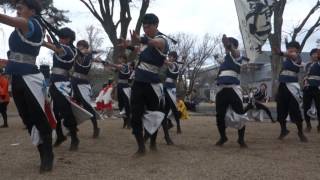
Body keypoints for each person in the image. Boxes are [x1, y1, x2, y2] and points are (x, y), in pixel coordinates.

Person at [0, 0, 54, 173]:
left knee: (38, 117)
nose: (17, 11)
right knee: (27, 119)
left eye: (20, 8)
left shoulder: (29, 23)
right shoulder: (25, 25)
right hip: (17, 77)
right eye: (16, 8)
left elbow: (5, 19)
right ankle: (42, 152)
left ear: (31, 11)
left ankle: (48, 155)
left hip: (30, 77)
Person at [120, 13, 169, 155]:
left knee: (154, 114)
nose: (146, 29)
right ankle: (141, 146)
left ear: (156, 25)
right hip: (138, 82)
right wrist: (128, 45)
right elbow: (139, 49)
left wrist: (141, 39)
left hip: (152, 83)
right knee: (135, 115)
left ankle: (153, 141)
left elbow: (155, 43)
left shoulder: (162, 40)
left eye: (148, 27)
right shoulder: (145, 42)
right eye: (144, 27)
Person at [43, 27, 80, 150]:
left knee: (65, 111)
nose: (60, 39)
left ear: (68, 39)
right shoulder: (65, 48)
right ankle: (60, 135)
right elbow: (57, 48)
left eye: (62, 37)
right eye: (59, 37)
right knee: (54, 111)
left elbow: (58, 49)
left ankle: (74, 138)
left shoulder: (68, 50)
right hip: (55, 81)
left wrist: (43, 42)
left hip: (62, 83)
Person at [215, 35, 248, 148]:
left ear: (234, 46)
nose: (225, 47)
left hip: (233, 89)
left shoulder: (237, 55)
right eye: (225, 45)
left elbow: (234, 52)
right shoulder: (225, 59)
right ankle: (223, 137)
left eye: (228, 45)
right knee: (219, 115)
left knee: (240, 114)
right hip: (221, 89)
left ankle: (241, 139)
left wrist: (229, 46)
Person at [275, 41, 308, 142]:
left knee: (294, 110)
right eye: (289, 47)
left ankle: (300, 132)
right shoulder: (286, 60)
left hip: (292, 87)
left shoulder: (297, 57)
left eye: (292, 48)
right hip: (282, 85)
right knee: (280, 108)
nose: (290, 49)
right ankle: (283, 130)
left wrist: (281, 52)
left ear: (297, 50)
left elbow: (292, 55)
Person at [71, 40, 100, 138]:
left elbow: (84, 65)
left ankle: (96, 127)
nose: (79, 47)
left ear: (85, 47)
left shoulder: (88, 56)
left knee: (88, 107)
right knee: (72, 105)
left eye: (81, 46)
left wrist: (88, 52)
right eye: (78, 46)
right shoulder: (76, 55)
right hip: (74, 82)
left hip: (82, 83)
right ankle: (72, 127)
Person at [303, 48, 320, 132]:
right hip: (308, 88)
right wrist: (305, 81)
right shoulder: (307, 64)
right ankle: (308, 125)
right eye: (313, 54)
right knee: (306, 107)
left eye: (317, 54)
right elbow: (305, 75)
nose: (315, 55)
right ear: (311, 55)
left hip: (318, 88)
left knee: (319, 106)